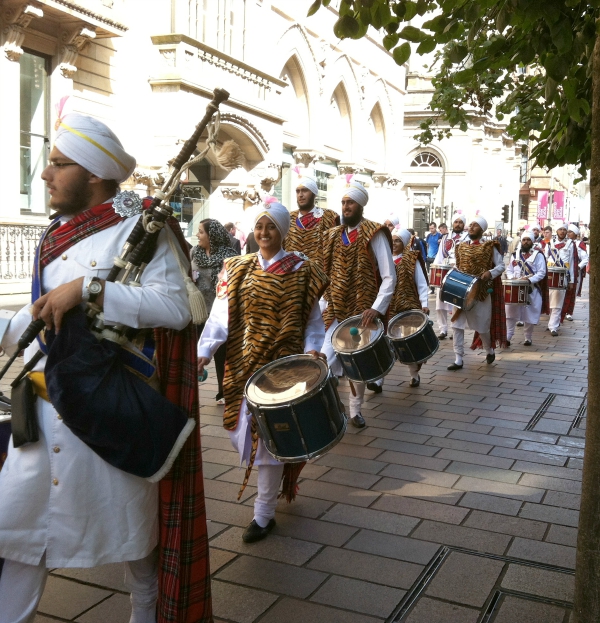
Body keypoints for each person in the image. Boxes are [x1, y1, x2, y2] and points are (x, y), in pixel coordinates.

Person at [0, 114, 212, 623]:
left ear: (94, 173)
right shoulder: (55, 234)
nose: (45, 174)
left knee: (139, 560)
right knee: (19, 545)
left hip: (109, 418)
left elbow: (179, 309)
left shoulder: (143, 231)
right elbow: (41, 325)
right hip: (42, 419)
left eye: (57, 164)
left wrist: (91, 290)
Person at [197, 200, 328, 543]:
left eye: (271, 226)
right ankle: (273, 492)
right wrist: (204, 351)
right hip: (242, 366)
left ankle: (263, 514)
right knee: (239, 429)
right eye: (259, 226)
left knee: (271, 441)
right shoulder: (237, 268)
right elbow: (219, 317)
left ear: (282, 230)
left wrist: (315, 349)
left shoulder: (304, 270)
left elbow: (315, 321)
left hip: (285, 369)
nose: (264, 233)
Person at [321, 180, 396, 428]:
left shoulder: (373, 233)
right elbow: (324, 273)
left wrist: (377, 307)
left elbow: (388, 275)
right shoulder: (332, 235)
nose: (346, 207)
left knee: (357, 364)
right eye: (343, 202)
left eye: (350, 202)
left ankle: (355, 411)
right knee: (323, 358)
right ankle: (331, 407)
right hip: (334, 309)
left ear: (361, 205)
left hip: (361, 310)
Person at [448, 215, 507, 370]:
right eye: (471, 224)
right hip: (461, 291)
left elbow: (501, 266)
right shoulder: (460, 246)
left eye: (475, 225)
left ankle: (489, 349)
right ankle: (458, 358)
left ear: (482, 230)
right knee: (457, 325)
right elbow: (458, 266)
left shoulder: (489, 246)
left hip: (480, 292)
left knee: (482, 326)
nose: (471, 227)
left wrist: (490, 272)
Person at [191, 219, 238, 404]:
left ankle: (224, 391)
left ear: (212, 235)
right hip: (198, 311)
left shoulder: (230, 256)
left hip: (220, 312)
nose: (197, 235)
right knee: (197, 351)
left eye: (201, 232)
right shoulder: (195, 253)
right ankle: (192, 390)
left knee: (222, 353)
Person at [388, 228, 430, 387]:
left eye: (397, 240)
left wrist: (424, 304)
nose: (393, 243)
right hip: (388, 307)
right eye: (391, 240)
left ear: (404, 243)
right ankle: (378, 381)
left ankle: (414, 375)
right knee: (386, 342)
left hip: (408, 307)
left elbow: (421, 284)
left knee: (407, 342)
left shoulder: (411, 259)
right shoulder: (383, 259)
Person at [282, 174, 339, 268]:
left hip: (319, 277)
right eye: (298, 191)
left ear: (313, 193)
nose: (300, 195)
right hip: (292, 276)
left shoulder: (329, 217)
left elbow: (337, 251)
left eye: (304, 190)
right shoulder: (288, 218)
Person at [505, 230, 549, 346]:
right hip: (515, 288)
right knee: (510, 312)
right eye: (524, 240)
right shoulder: (515, 255)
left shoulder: (538, 255)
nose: (526, 242)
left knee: (529, 314)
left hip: (531, 288)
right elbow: (509, 269)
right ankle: (508, 337)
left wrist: (529, 280)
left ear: (532, 241)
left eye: (528, 240)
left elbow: (541, 272)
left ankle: (528, 338)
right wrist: (512, 278)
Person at [544, 222, 588, 335]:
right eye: (560, 229)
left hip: (563, 277)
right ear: (557, 231)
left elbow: (573, 263)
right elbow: (544, 259)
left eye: (565, 229)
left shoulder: (571, 244)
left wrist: (572, 281)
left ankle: (554, 326)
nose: (563, 231)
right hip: (550, 276)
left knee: (558, 302)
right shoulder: (550, 243)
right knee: (549, 301)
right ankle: (551, 323)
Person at [432, 214, 469, 339]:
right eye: (456, 222)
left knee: (456, 303)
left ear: (464, 224)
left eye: (460, 222)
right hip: (444, 272)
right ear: (452, 223)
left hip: (459, 273)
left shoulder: (467, 238)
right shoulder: (445, 237)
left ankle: (455, 329)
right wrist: (436, 268)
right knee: (440, 303)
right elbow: (439, 256)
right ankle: (443, 329)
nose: (458, 224)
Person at [562, 224, 589, 322]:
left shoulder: (579, 244)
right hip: (565, 271)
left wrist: (577, 267)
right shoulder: (564, 242)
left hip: (575, 272)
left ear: (575, 234)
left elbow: (585, 259)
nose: (568, 233)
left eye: (570, 232)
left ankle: (569, 312)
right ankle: (562, 311)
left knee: (572, 292)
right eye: (567, 231)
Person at [425, 222, 443, 293]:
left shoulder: (439, 235)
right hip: (429, 257)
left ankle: (438, 288)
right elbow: (427, 245)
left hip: (436, 258)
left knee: (436, 274)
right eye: (430, 228)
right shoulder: (429, 236)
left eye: (432, 228)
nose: (431, 230)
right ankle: (432, 289)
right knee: (429, 274)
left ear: (435, 228)